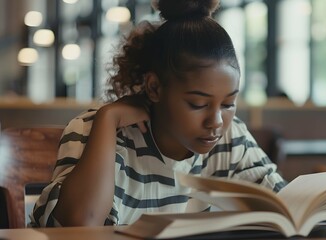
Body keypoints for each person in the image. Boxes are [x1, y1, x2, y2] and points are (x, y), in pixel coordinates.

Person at [29, 0, 286, 227]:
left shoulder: (231, 139)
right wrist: (108, 120)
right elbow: (80, 224)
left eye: (229, 104)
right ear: (154, 87)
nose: (216, 122)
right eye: (198, 104)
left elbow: (286, 206)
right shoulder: (93, 131)